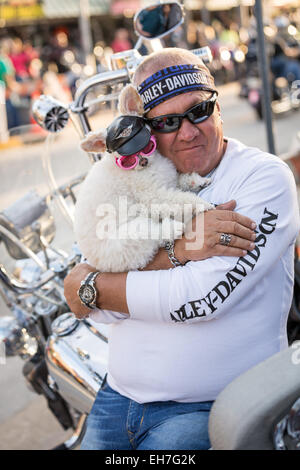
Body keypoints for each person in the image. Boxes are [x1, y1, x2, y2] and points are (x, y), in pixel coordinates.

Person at [64, 48, 300, 450]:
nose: (188, 131)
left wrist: (94, 285)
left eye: (199, 110)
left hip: (209, 409)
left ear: (218, 107)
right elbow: (87, 301)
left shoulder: (262, 178)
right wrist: (182, 251)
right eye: (167, 122)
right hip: (116, 398)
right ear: (147, 132)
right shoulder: (138, 175)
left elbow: (196, 299)